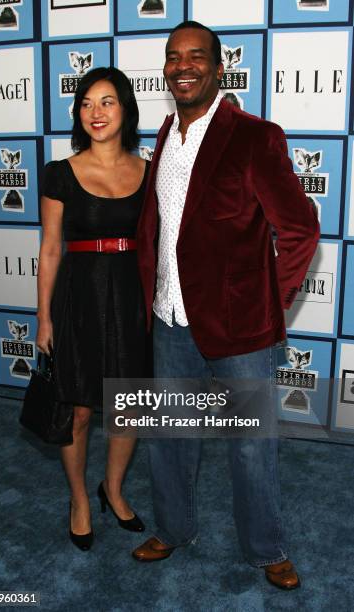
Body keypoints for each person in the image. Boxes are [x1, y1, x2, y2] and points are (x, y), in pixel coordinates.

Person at [132, 21, 320, 590]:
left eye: (196, 57)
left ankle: (266, 549)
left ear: (218, 67)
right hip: (169, 317)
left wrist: (270, 303)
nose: (182, 65)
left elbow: (300, 229)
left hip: (241, 329)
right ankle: (173, 528)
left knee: (251, 448)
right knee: (170, 438)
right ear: (166, 69)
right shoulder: (164, 134)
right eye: (173, 56)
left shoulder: (254, 136)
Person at [36, 66, 149, 551]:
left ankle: (114, 489)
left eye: (106, 101)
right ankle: (80, 499)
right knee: (78, 410)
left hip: (130, 296)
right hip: (78, 298)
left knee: (128, 408)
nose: (95, 112)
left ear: (126, 108)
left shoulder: (148, 170)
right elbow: (51, 249)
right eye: (86, 103)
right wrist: (43, 317)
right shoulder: (60, 172)